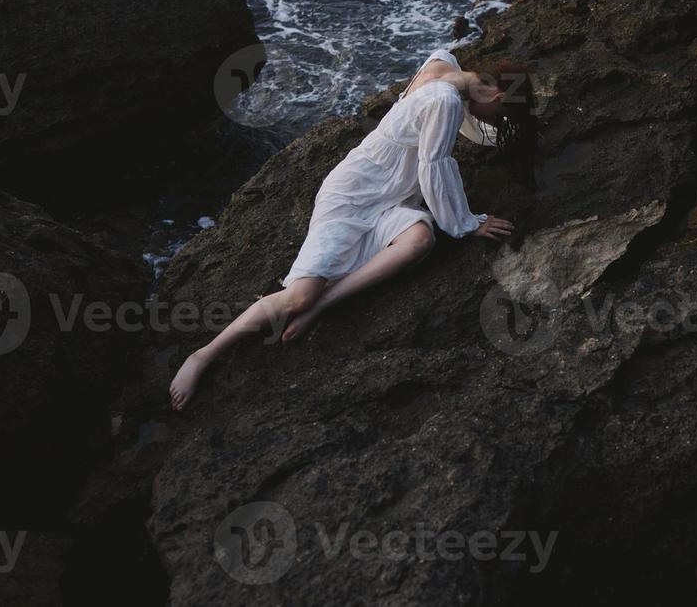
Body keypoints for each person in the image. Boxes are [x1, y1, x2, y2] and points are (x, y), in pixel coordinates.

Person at [169, 49, 535, 410]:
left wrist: (513, 127)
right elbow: (434, 166)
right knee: (299, 297)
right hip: (352, 194)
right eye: (500, 115)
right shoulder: (447, 101)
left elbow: (470, 122)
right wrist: (467, 223)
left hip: (391, 198)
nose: (495, 123)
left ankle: (327, 302)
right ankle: (203, 355)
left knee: (420, 240)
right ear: (498, 95)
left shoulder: (445, 63)